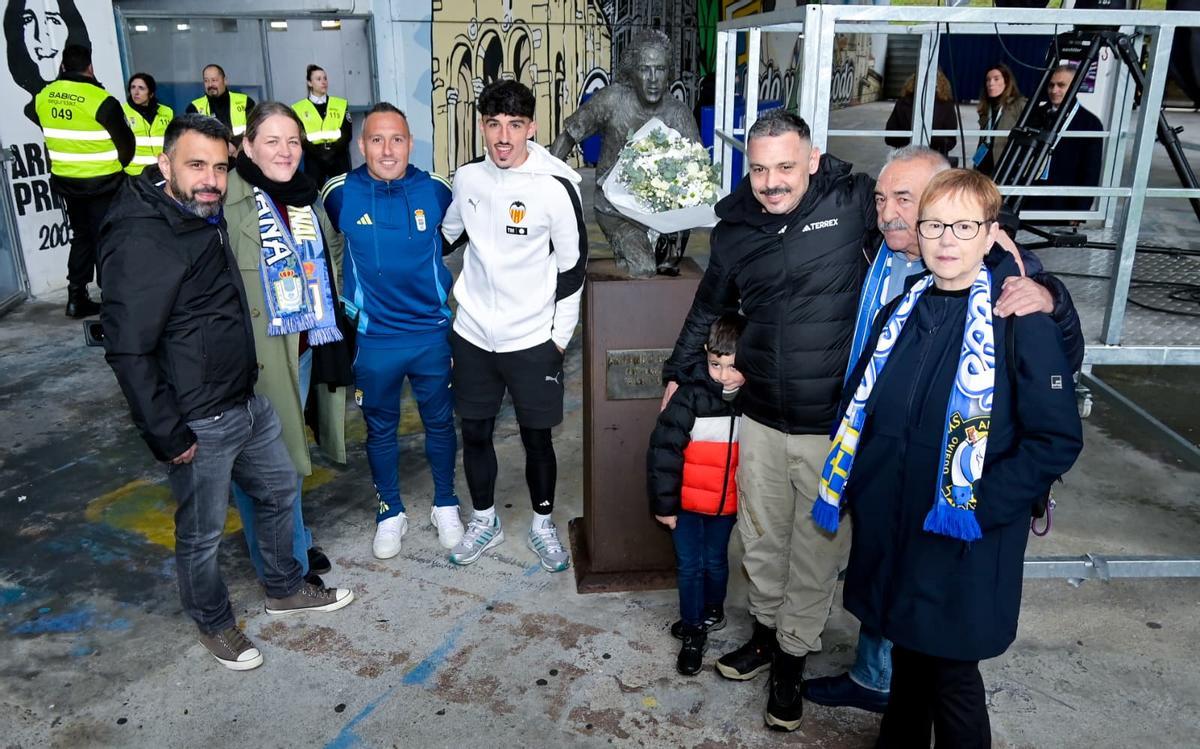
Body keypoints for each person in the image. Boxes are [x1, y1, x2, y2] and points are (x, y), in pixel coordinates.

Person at [660, 112, 1078, 732]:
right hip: (810, 435)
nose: (891, 214)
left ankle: (797, 662)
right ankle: (789, 645)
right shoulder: (844, 255)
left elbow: (980, 230)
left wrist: (1051, 295)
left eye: (785, 166)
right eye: (759, 168)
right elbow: (710, 303)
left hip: (856, 441)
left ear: (814, 160)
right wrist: (678, 369)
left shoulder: (967, 271)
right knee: (771, 548)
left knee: (829, 568)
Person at [802, 144, 1084, 715]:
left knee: (953, 684)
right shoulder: (901, 310)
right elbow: (865, 406)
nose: (946, 239)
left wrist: (978, 506)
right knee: (907, 668)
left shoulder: (1018, 318)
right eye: (934, 225)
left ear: (991, 236)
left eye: (962, 226)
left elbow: (1055, 440)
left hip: (964, 535)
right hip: (898, 527)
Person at [98, 114, 354, 671]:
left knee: (280, 487)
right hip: (197, 418)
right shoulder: (142, 236)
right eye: (195, 165)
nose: (210, 178)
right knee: (202, 533)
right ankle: (214, 624)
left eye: (218, 166)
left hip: (245, 397)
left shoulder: (204, 213)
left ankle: (285, 587)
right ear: (165, 164)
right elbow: (127, 349)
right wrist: (167, 432)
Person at [441, 80, 586, 573]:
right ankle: (486, 520)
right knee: (475, 432)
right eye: (494, 124)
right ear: (482, 126)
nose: (503, 137)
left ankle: (543, 523)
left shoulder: (555, 187)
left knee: (537, 438)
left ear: (532, 128)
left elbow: (573, 269)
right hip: (474, 335)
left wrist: (558, 339)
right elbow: (448, 235)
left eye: (515, 125)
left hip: (532, 339)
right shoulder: (467, 179)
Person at [322, 103, 464, 558]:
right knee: (379, 429)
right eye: (377, 140)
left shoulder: (438, 190)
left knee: (440, 423)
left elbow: (454, 239)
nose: (387, 149)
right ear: (361, 145)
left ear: (410, 144)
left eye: (397, 139)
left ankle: (445, 502)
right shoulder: (338, 193)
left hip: (430, 335)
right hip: (376, 339)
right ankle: (389, 512)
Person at [223, 100, 353, 586]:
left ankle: (293, 535)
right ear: (247, 146)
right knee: (265, 470)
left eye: (293, 141)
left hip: (302, 350)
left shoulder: (304, 194)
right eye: (272, 141)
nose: (285, 151)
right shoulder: (229, 199)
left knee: (290, 459)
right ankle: (285, 569)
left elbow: (325, 259)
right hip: (256, 360)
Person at [550, 30, 701, 277]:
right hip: (614, 208)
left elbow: (697, 170)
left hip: (662, 213)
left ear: (668, 73)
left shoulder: (678, 114)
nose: (653, 78)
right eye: (645, 69)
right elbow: (567, 137)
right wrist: (549, 188)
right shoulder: (612, 100)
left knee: (668, 268)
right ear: (632, 72)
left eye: (660, 69)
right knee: (644, 268)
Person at [648, 313, 745, 676]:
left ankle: (712, 611)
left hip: (726, 507)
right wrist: (665, 505)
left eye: (733, 367)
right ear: (705, 355)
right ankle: (692, 631)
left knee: (716, 562)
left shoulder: (756, 402)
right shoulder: (690, 398)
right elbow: (663, 454)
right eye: (715, 364)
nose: (723, 375)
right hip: (687, 505)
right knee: (690, 565)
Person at [33, 43, 134, 318]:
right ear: (90, 67)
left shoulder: (44, 97)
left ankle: (76, 297)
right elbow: (127, 146)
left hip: (67, 183)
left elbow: (43, 122)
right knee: (106, 238)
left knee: (82, 236)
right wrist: (117, 166)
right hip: (103, 183)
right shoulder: (101, 100)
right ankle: (112, 299)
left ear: (63, 67)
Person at [1021, 64, 1104, 216]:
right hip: (1028, 198)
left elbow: (1091, 170)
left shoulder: (1090, 122)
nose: (1054, 90)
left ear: (1074, 86)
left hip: (1063, 203)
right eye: (1051, 85)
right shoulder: (1034, 116)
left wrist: (1081, 209)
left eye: (1061, 85)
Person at [294, 64, 352, 187]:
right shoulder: (299, 108)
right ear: (309, 83)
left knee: (344, 191)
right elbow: (300, 136)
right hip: (314, 157)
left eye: (325, 78)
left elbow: (347, 133)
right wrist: (320, 154)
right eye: (318, 79)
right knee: (314, 194)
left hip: (338, 156)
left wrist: (332, 152)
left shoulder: (340, 104)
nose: (324, 82)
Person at [884, 71, 959, 159]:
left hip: (933, 159)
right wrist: (912, 142)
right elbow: (890, 137)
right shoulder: (903, 103)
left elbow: (950, 140)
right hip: (906, 158)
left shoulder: (946, 105)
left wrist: (927, 141)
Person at [186, 63, 256, 156]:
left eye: (214, 80)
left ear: (225, 80)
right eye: (206, 81)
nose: (210, 85)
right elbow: (193, 140)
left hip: (243, 157)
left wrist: (235, 144)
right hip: (212, 160)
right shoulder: (194, 108)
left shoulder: (245, 101)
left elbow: (254, 129)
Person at [973, 63, 1027, 177]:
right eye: (988, 80)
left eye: (996, 79)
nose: (991, 83)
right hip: (984, 163)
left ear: (1006, 82)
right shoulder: (986, 107)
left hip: (1005, 164)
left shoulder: (1018, 104)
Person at [123, 72, 174, 176]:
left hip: (162, 170)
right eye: (133, 87)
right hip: (134, 172)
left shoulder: (167, 112)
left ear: (151, 93)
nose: (136, 92)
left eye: (141, 88)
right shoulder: (122, 111)